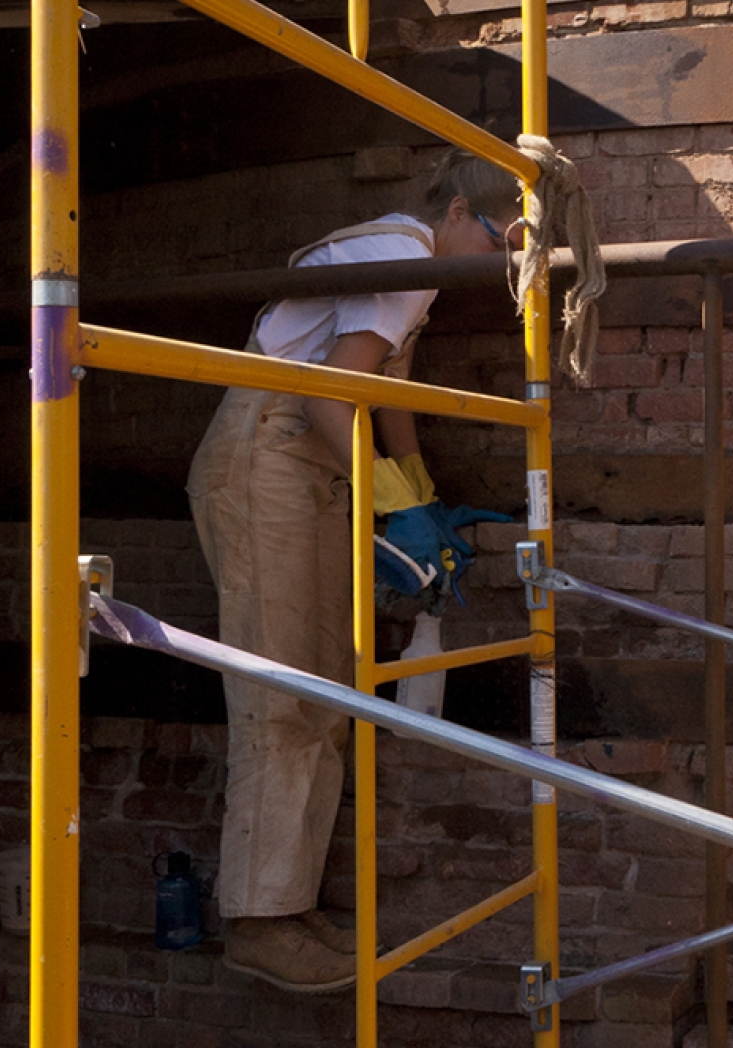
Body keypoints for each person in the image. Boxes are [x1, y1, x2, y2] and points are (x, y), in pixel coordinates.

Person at [187, 150, 521, 992]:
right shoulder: (403, 255)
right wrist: (389, 505)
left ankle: (286, 904)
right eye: (500, 238)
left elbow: (389, 396)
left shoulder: (418, 268)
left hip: (306, 465)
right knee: (281, 684)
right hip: (273, 456)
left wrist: (421, 494)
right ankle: (259, 922)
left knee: (323, 687)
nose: (503, 261)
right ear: (453, 212)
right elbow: (329, 396)